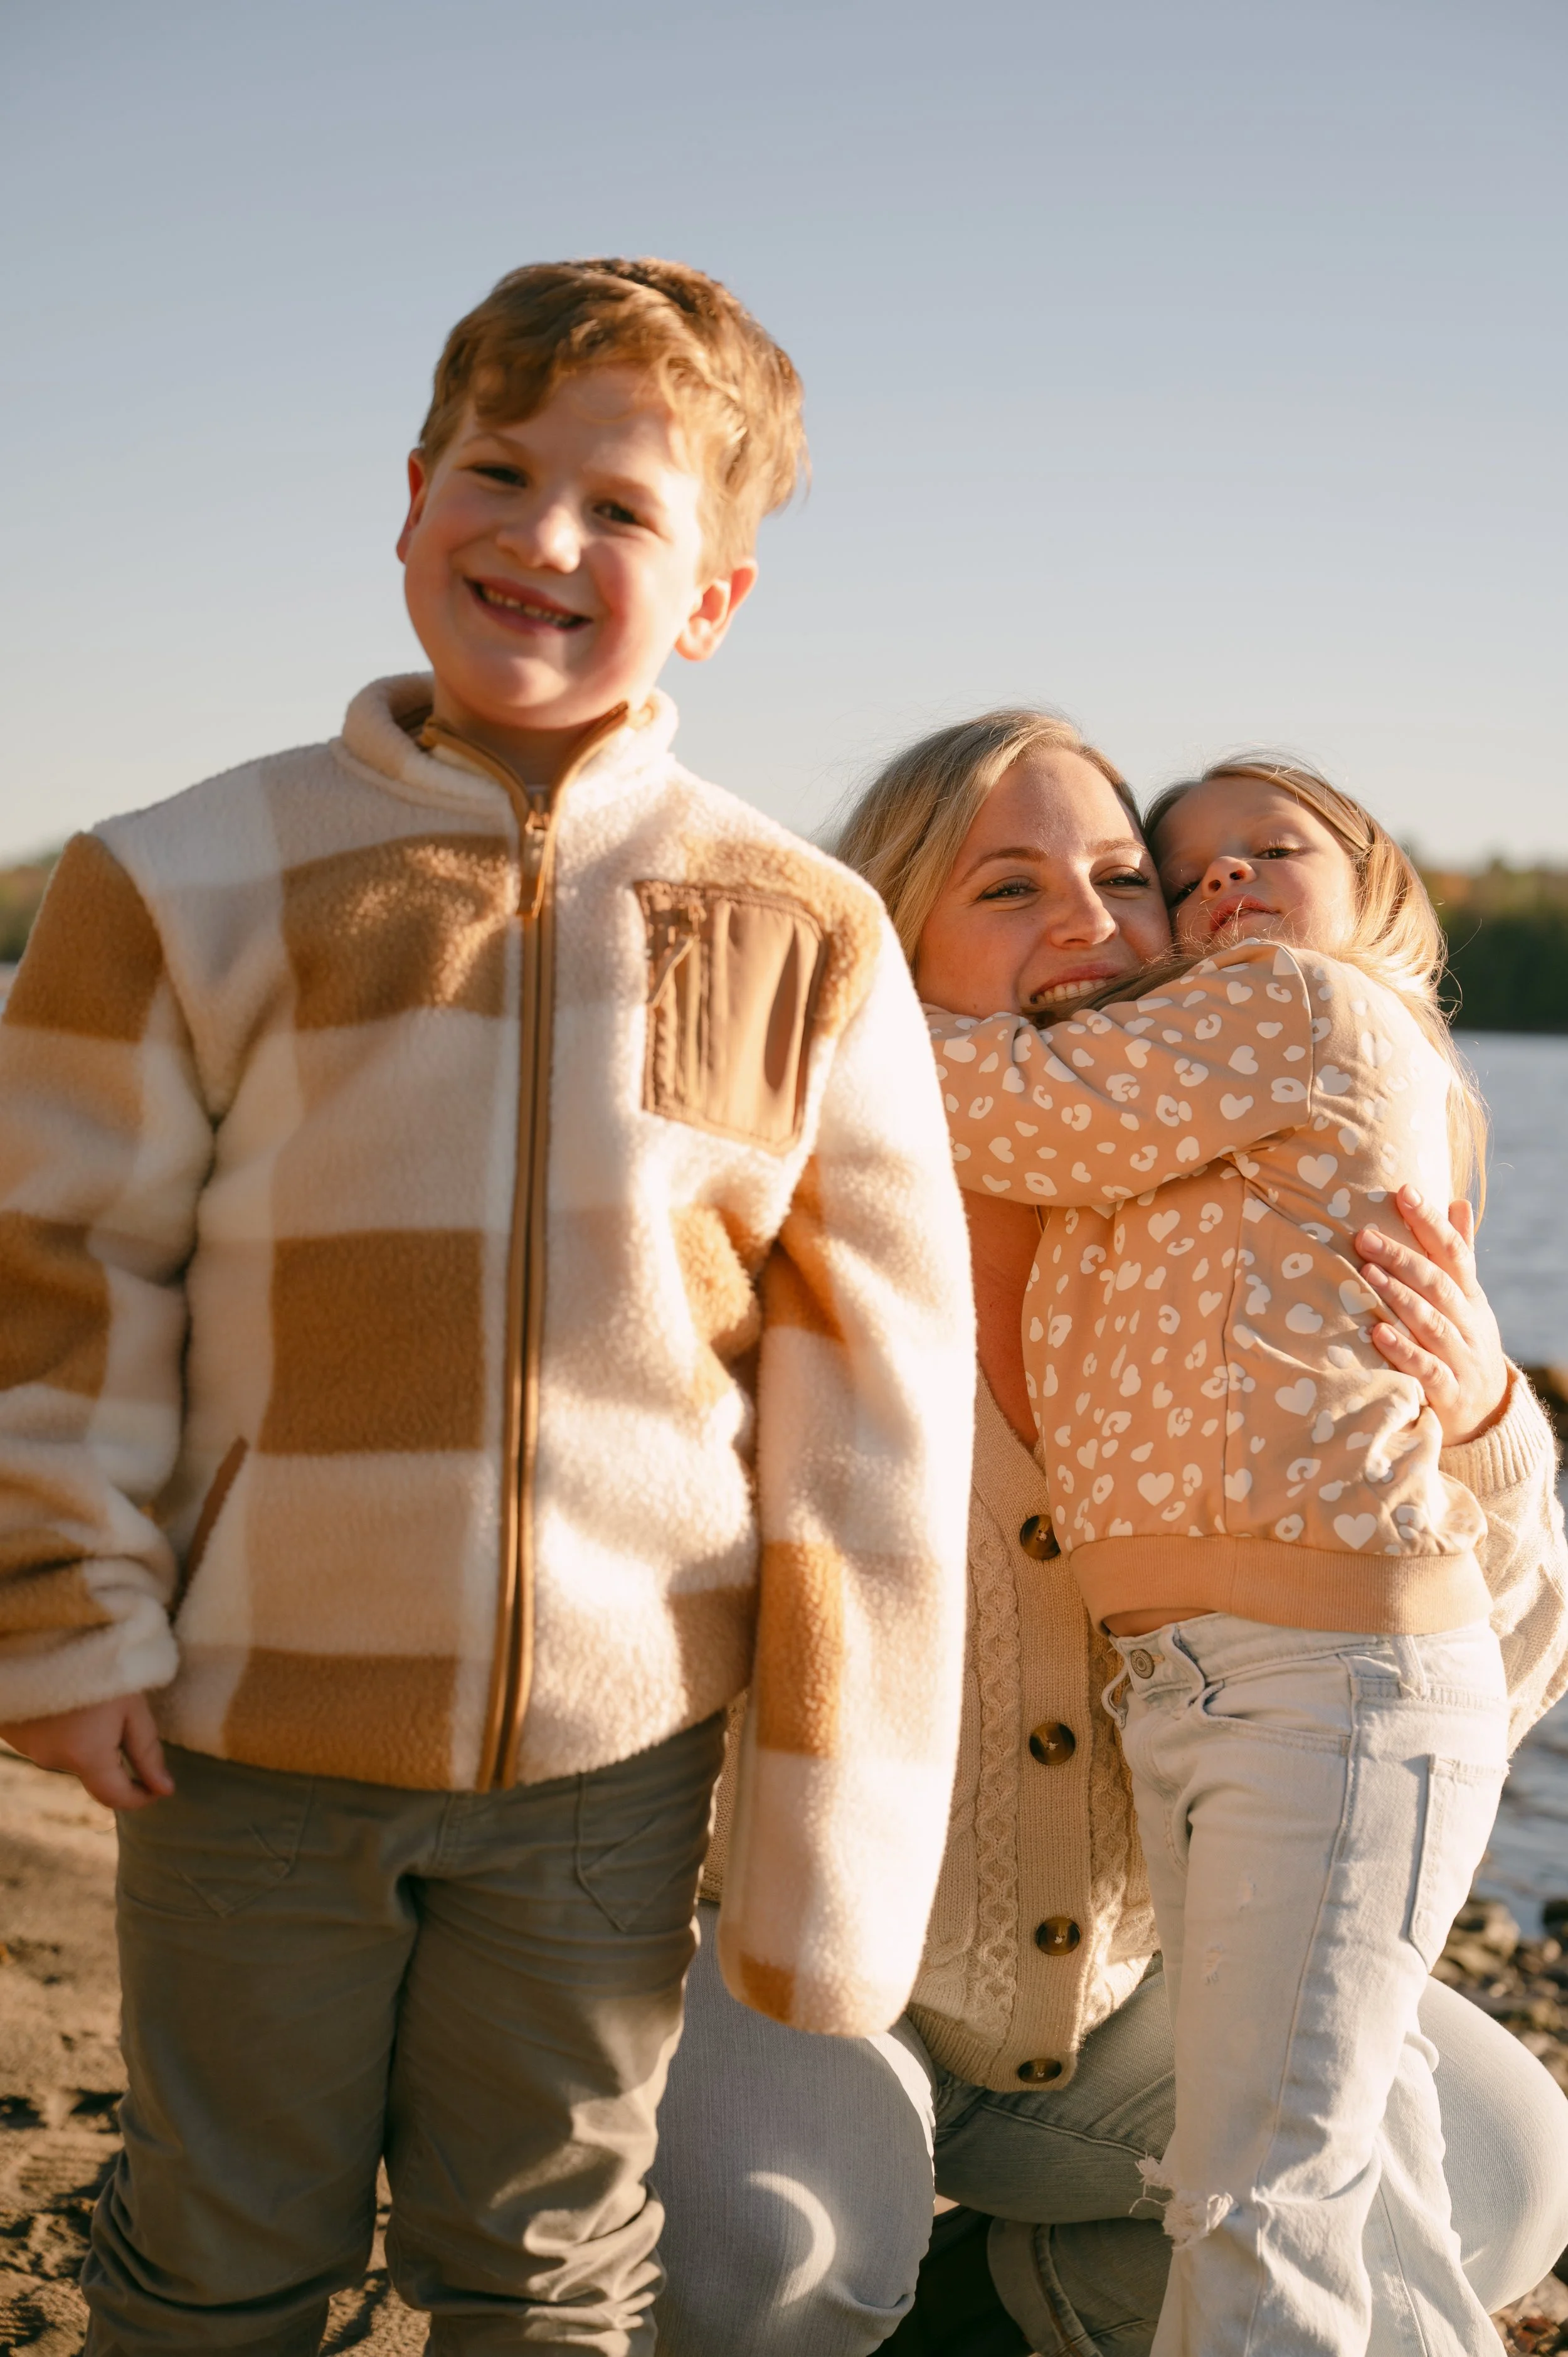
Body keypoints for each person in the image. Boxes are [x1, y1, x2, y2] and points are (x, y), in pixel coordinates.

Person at [0, 260, 975, 2355]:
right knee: (217, 2238)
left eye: (624, 511)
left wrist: (833, 1802)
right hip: (240, 1732)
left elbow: (878, 1400)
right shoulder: (180, 877)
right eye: (500, 472)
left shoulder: (806, 929)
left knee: (545, 2254)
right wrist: (67, 1613)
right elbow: (57, 1277)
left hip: (616, 1764)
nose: (544, 537)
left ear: (712, 594)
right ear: (410, 498)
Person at [652, 713, 1568, 2357]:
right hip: (830, 1959)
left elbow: (1476, 1690)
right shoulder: (789, 1236)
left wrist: (1488, 1424)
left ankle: (1029, 2294)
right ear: (897, 935)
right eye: (1009, 883)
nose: (1089, 917)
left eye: (1122, 876)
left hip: (1138, 1984)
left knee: (1504, 2171)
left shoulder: (1258, 1229)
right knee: (757, 2262)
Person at [928, 752, 1527, 2353]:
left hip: (1325, 1672)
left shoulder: (1304, 1013)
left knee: (1273, 2189)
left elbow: (1001, 1102)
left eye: (1274, 849)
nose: (1226, 890)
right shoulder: (1170, 1155)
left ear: (1377, 884)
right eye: (1186, 879)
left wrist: (813, 978)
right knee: (1338, 2175)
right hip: (1215, 1686)